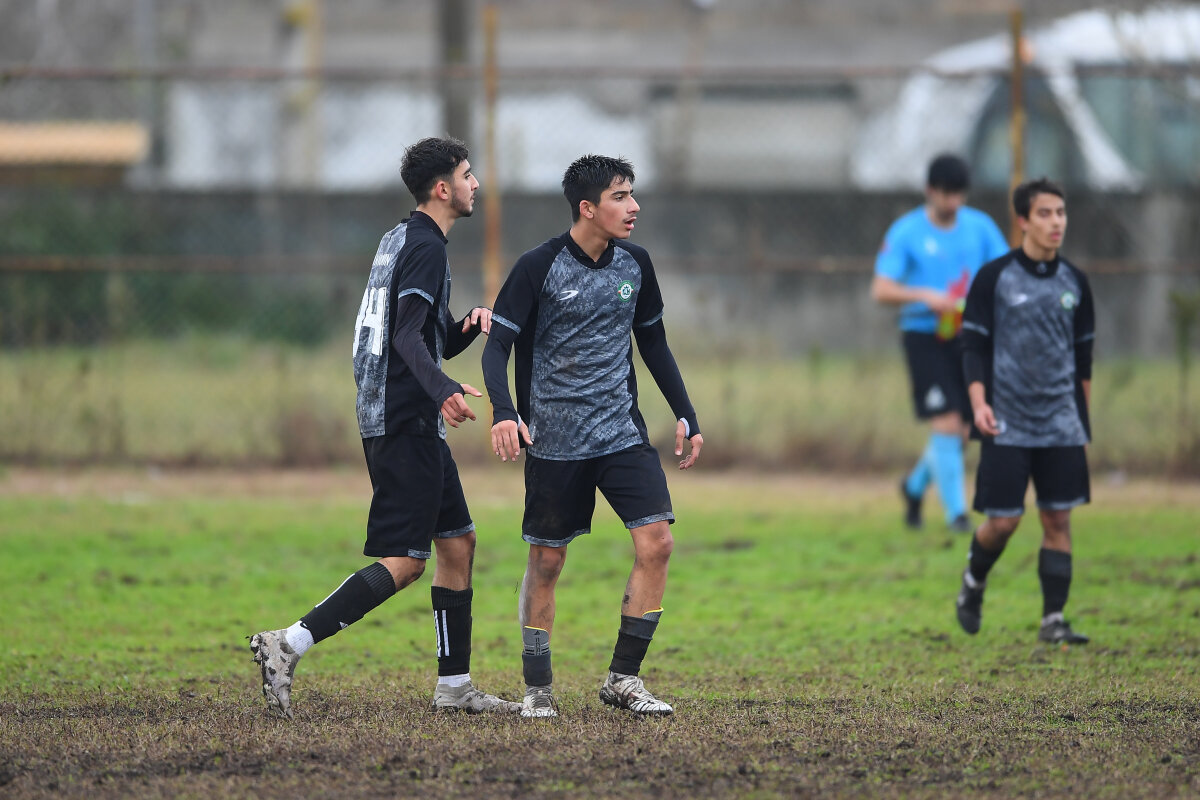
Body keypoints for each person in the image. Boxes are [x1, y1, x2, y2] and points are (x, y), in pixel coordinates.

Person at [249, 137, 520, 718]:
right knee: (407, 561)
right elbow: (403, 337)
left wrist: (466, 327)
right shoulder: (426, 248)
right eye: (468, 175)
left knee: (458, 544)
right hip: (402, 417)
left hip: (401, 413)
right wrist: (443, 389)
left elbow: (422, 334)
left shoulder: (401, 238)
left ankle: (455, 688)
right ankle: (287, 643)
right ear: (443, 188)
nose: (476, 184)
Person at [482, 154, 703, 718]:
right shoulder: (538, 266)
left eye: (632, 194)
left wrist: (685, 413)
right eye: (620, 196)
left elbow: (653, 342)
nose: (633, 207)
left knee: (658, 543)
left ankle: (623, 680)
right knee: (547, 562)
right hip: (554, 441)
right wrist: (504, 412)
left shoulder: (636, 263)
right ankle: (537, 690)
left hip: (620, 432)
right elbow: (497, 346)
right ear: (587, 207)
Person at [954, 177, 1094, 645]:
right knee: (1003, 523)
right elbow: (973, 346)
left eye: (1061, 213)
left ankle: (1053, 620)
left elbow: (1084, 359)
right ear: (1023, 221)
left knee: (1057, 519)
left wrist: (1081, 423)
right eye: (1045, 214)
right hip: (1006, 420)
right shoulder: (994, 278)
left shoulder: (1076, 282)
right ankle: (973, 581)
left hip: (1060, 423)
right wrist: (979, 405)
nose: (1057, 223)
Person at [872, 154, 1009, 533]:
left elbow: (1005, 273)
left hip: (969, 336)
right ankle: (957, 516)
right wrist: (924, 296)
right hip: (924, 336)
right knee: (946, 422)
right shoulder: (907, 232)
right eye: (947, 194)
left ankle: (914, 487)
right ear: (930, 191)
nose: (954, 203)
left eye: (960, 195)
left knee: (963, 431)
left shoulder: (980, 227)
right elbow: (881, 289)